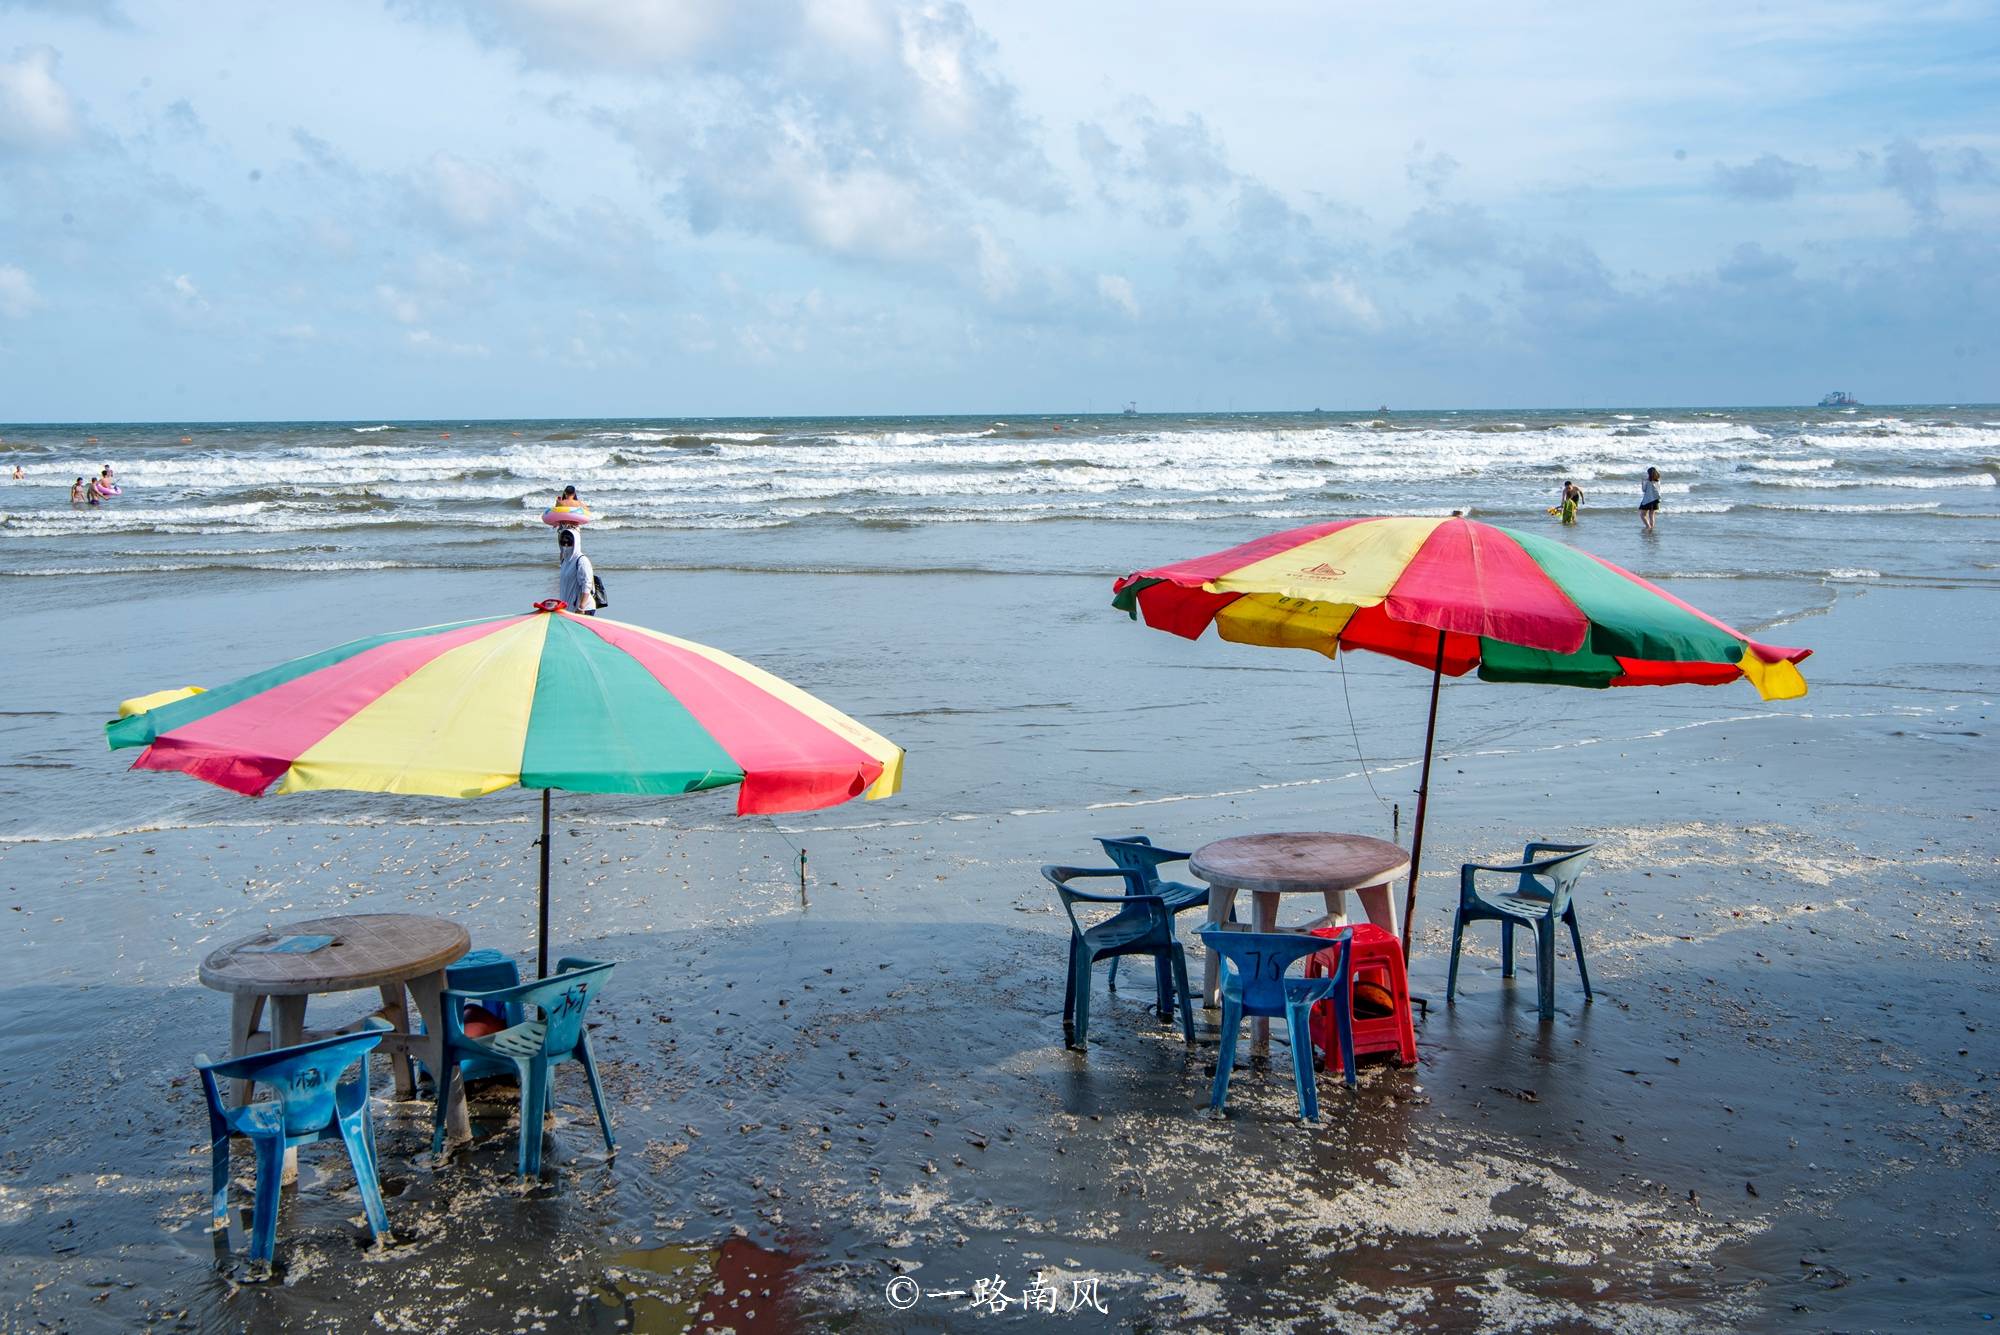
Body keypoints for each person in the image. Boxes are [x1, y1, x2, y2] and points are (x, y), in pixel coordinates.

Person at [556, 526, 597, 615]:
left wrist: (581, 607)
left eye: (569, 542)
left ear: (575, 542)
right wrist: (561, 529)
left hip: (583, 609)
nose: (566, 545)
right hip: (569, 608)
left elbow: (587, 584)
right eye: (563, 542)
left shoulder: (581, 560)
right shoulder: (565, 561)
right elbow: (561, 549)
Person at [1639, 466, 1661, 532]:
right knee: (1652, 515)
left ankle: (1648, 526)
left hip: (1648, 500)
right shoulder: (1658, 481)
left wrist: (1642, 482)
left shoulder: (1648, 482)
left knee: (1642, 514)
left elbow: (1644, 490)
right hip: (1656, 499)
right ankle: (1652, 527)